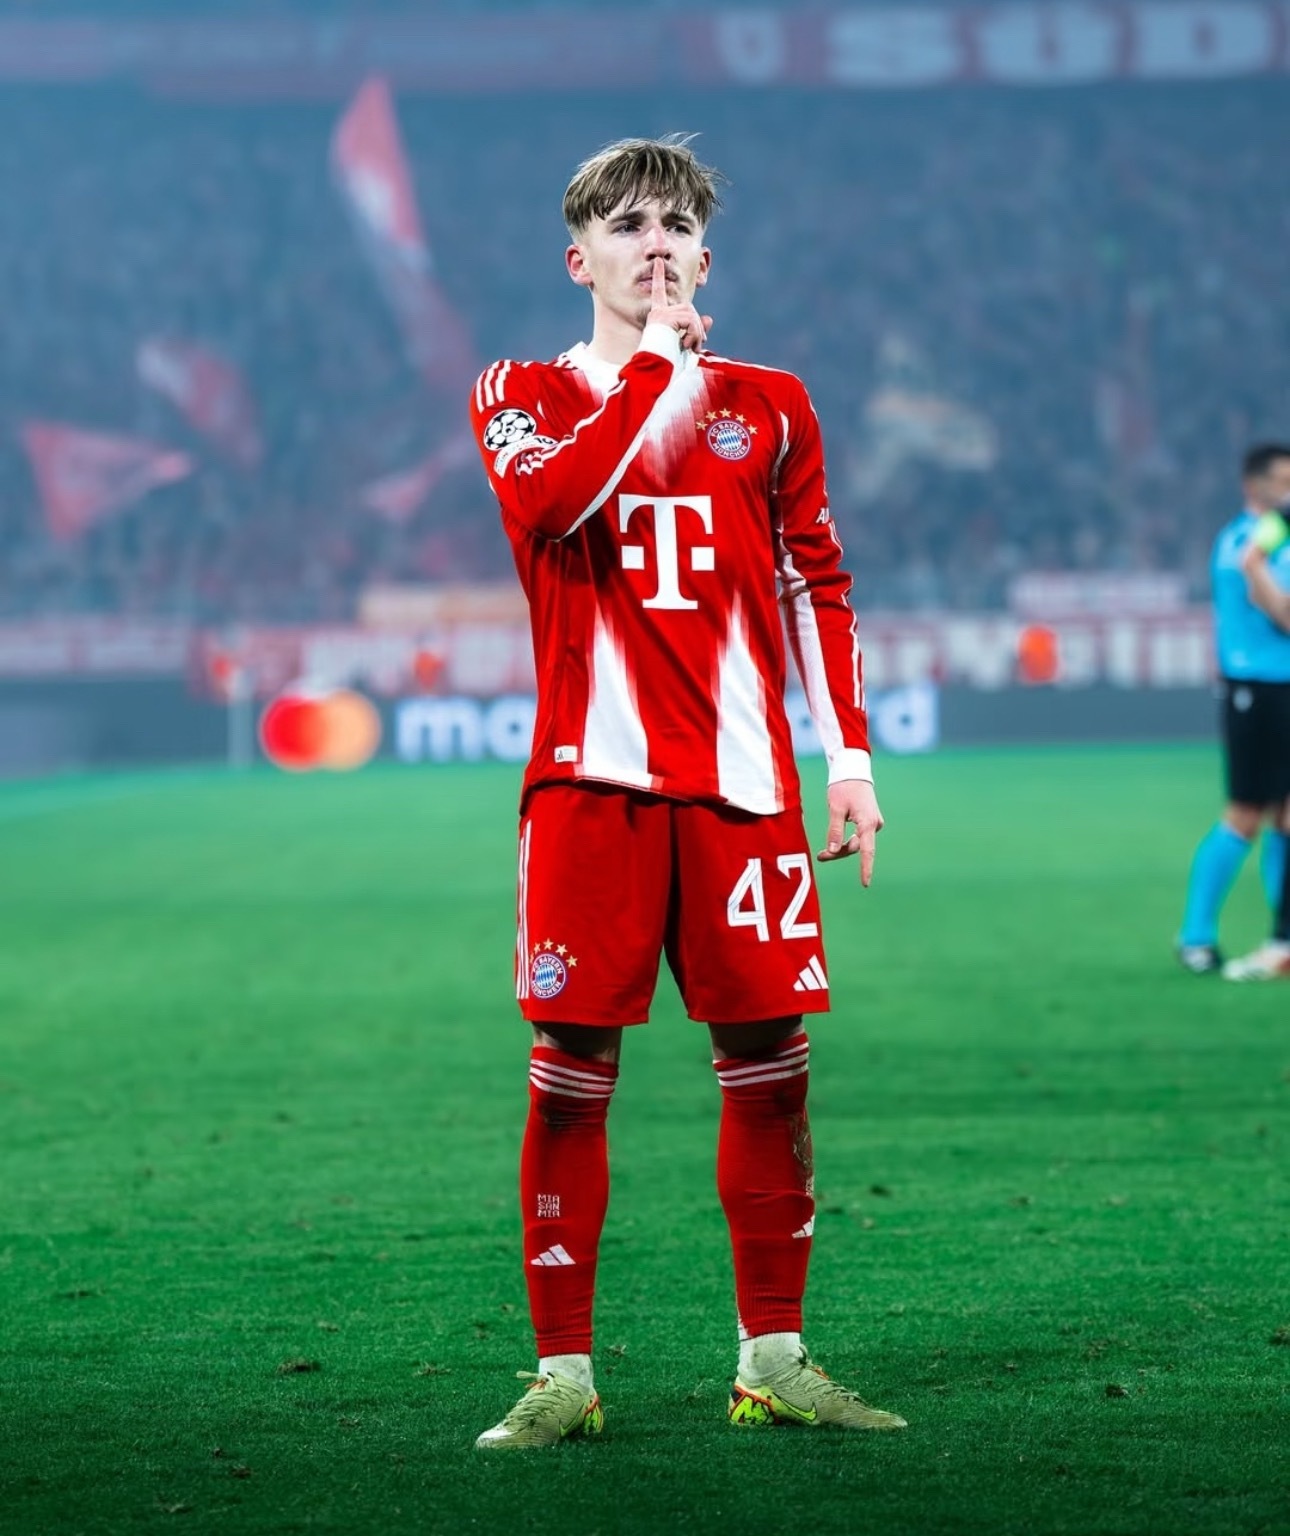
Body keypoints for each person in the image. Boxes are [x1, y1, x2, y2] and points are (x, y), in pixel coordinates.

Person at [465, 136, 905, 1449]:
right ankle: (563, 1376)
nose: (653, 244)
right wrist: (654, 367)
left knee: (771, 1074)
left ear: (706, 258)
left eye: (674, 226)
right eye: (626, 225)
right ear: (579, 259)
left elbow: (815, 583)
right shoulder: (519, 391)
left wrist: (849, 761)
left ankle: (774, 1358)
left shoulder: (771, 404)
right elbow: (553, 503)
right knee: (568, 1076)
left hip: (742, 789)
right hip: (589, 785)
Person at [1176, 443, 1290, 974]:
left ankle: (1282, 938)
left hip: (1283, 687)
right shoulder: (1243, 542)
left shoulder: (1277, 539)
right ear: (1253, 486)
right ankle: (1195, 937)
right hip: (1256, 691)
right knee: (1246, 814)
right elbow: (1283, 615)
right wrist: (1258, 563)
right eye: (1282, 481)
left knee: (1287, 814)